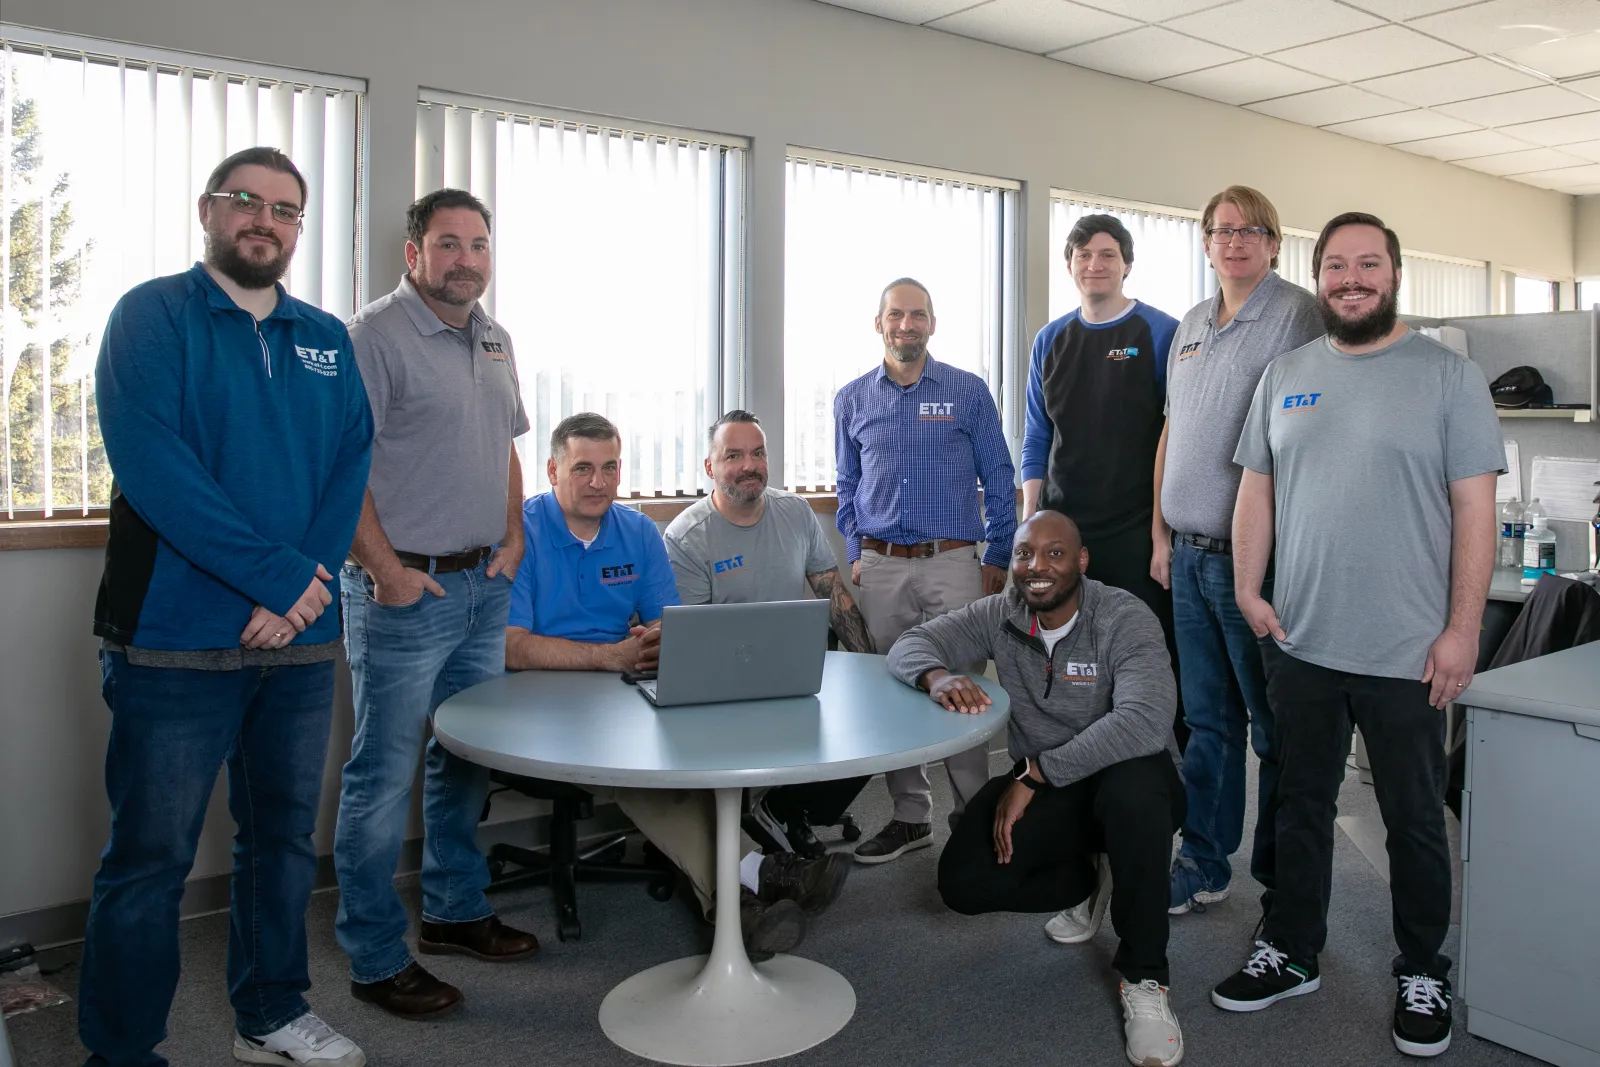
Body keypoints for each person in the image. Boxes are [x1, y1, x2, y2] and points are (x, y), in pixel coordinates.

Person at [85, 147, 372, 1067]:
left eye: (287, 209)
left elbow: (348, 467)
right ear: (210, 210)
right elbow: (156, 470)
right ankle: (122, 1052)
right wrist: (276, 578)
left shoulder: (325, 335)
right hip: (171, 642)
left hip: (295, 644)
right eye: (248, 201)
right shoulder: (152, 317)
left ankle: (272, 1014)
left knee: (284, 843)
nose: (267, 219)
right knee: (149, 861)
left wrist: (302, 589)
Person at [1211, 212, 1502, 1060]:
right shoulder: (1286, 373)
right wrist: (1245, 589)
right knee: (1298, 805)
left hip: (1410, 651)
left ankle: (1422, 965)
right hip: (1301, 641)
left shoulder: (1449, 378)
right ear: (1318, 276)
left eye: (1367, 264)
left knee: (1414, 819)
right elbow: (1255, 492)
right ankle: (1292, 948)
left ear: (1396, 273)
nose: (1350, 279)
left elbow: (1474, 510)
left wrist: (1462, 629)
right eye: (1335, 265)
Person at [506, 412, 850, 958]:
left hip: (622, 685)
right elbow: (514, 645)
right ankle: (761, 876)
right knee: (641, 768)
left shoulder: (639, 531)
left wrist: (661, 641)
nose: (599, 481)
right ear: (552, 470)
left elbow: (672, 624)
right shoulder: (521, 533)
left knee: (684, 749)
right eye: (583, 468)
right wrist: (610, 655)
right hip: (543, 696)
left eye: (610, 468)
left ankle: (744, 906)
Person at [334, 189, 537, 1021]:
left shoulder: (494, 336)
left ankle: (455, 910)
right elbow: (342, 467)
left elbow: (508, 445)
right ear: (412, 252)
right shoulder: (371, 336)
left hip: (481, 586)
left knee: (465, 758)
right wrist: (382, 569)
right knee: (382, 776)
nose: (467, 259)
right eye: (449, 244)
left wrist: (514, 535)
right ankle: (376, 955)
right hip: (403, 592)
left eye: (479, 244)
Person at [889, 510, 1186, 1067]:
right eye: (1025, 553)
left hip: (1133, 777)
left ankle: (1146, 979)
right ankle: (1092, 878)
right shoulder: (1003, 613)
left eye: (1054, 553)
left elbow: (1146, 720)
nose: (1036, 566)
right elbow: (911, 643)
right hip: (1054, 785)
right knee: (963, 885)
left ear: (1081, 561)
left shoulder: (1123, 616)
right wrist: (940, 675)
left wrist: (1035, 774)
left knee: (1131, 798)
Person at [1151, 186, 1323, 917]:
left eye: (1250, 230)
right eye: (1221, 230)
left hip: (1255, 563)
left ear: (1274, 243)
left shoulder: (1298, 315)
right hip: (1186, 557)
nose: (1234, 241)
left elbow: (1315, 438)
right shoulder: (1190, 324)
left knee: (1274, 726)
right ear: (1205, 243)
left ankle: (1286, 880)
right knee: (1208, 721)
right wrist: (1159, 535)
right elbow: (1172, 432)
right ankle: (1205, 860)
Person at [835, 277, 1017, 862]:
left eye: (917, 315)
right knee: (895, 690)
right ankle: (911, 816)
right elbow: (846, 485)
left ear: (932, 324)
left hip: (954, 561)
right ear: (879, 322)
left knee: (963, 687)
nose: (906, 325)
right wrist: (855, 548)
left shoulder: (967, 391)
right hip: (883, 565)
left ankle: (973, 813)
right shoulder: (852, 399)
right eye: (896, 315)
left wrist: (996, 555)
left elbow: (999, 476)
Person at [664, 410, 874, 857]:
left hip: (792, 676)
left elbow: (833, 595)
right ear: (710, 467)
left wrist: (873, 670)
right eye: (734, 455)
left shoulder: (795, 512)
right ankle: (772, 823)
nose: (749, 465)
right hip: (722, 687)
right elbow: (693, 645)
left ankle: (783, 809)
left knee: (872, 729)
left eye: (757, 453)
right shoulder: (688, 537)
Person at [1021, 215, 1182, 757]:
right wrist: (1030, 525)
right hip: (1068, 529)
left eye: (1108, 254)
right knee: (1072, 663)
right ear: (1070, 265)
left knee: (1145, 660)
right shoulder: (1050, 340)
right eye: (1084, 254)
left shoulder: (1160, 332)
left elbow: (1177, 436)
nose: (1095, 264)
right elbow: (1036, 438)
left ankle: (1150, 780)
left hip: (1137, 531)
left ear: (1127, 265)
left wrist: (1162, 538)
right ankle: (1073, 775)